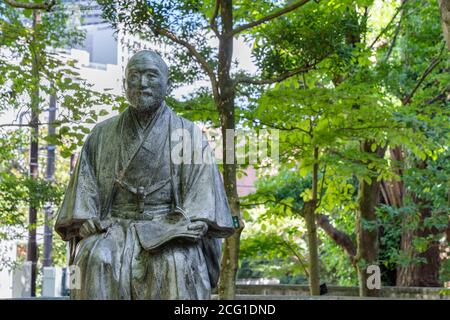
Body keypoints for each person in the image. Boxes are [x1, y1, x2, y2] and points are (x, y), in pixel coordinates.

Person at [54, 50, 234, 299]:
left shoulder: (189, 135)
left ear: (167, 84)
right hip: (113, 228)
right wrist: (87, 220)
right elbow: (85, 193)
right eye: (135, 75)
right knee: (93, 257)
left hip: (167, 227)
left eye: (152, 75)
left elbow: (202, 200)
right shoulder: (101, 134)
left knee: (176, 262)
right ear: (124, 83)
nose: (142, 83)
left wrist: (194, 223)